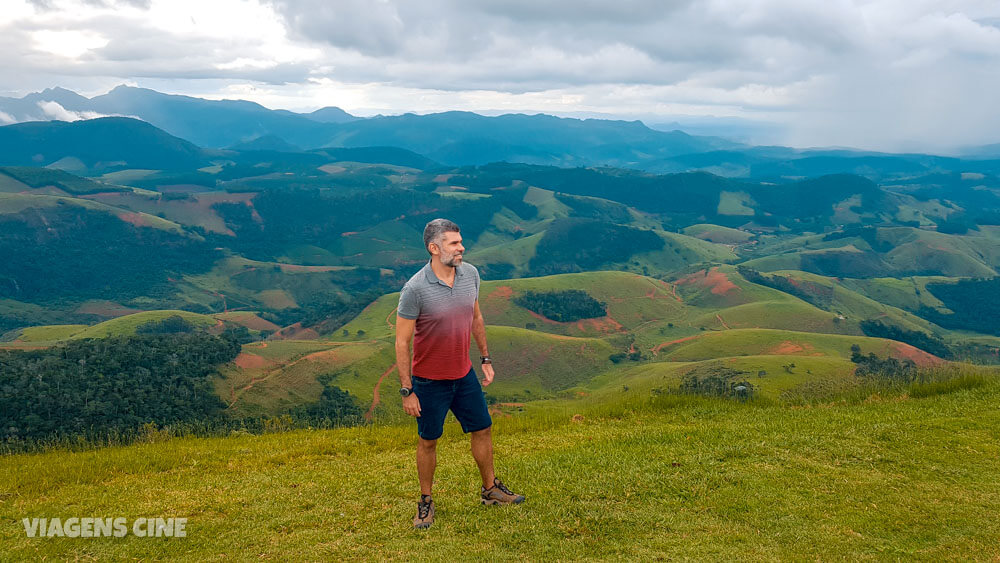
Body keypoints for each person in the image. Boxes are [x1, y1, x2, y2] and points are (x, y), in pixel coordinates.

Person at [395, 218, 525, 529]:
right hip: (428, 381)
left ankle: (491, 489)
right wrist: (407, 389)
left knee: (483, 429)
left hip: (463, 374)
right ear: (434, 247)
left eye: (460, 241)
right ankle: (425, 502)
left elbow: (476, 317)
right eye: (454, 243)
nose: (461, 247)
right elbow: (402, 341)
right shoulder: (415, 288)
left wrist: (485, 358)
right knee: (428, 441)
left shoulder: (471, 275)